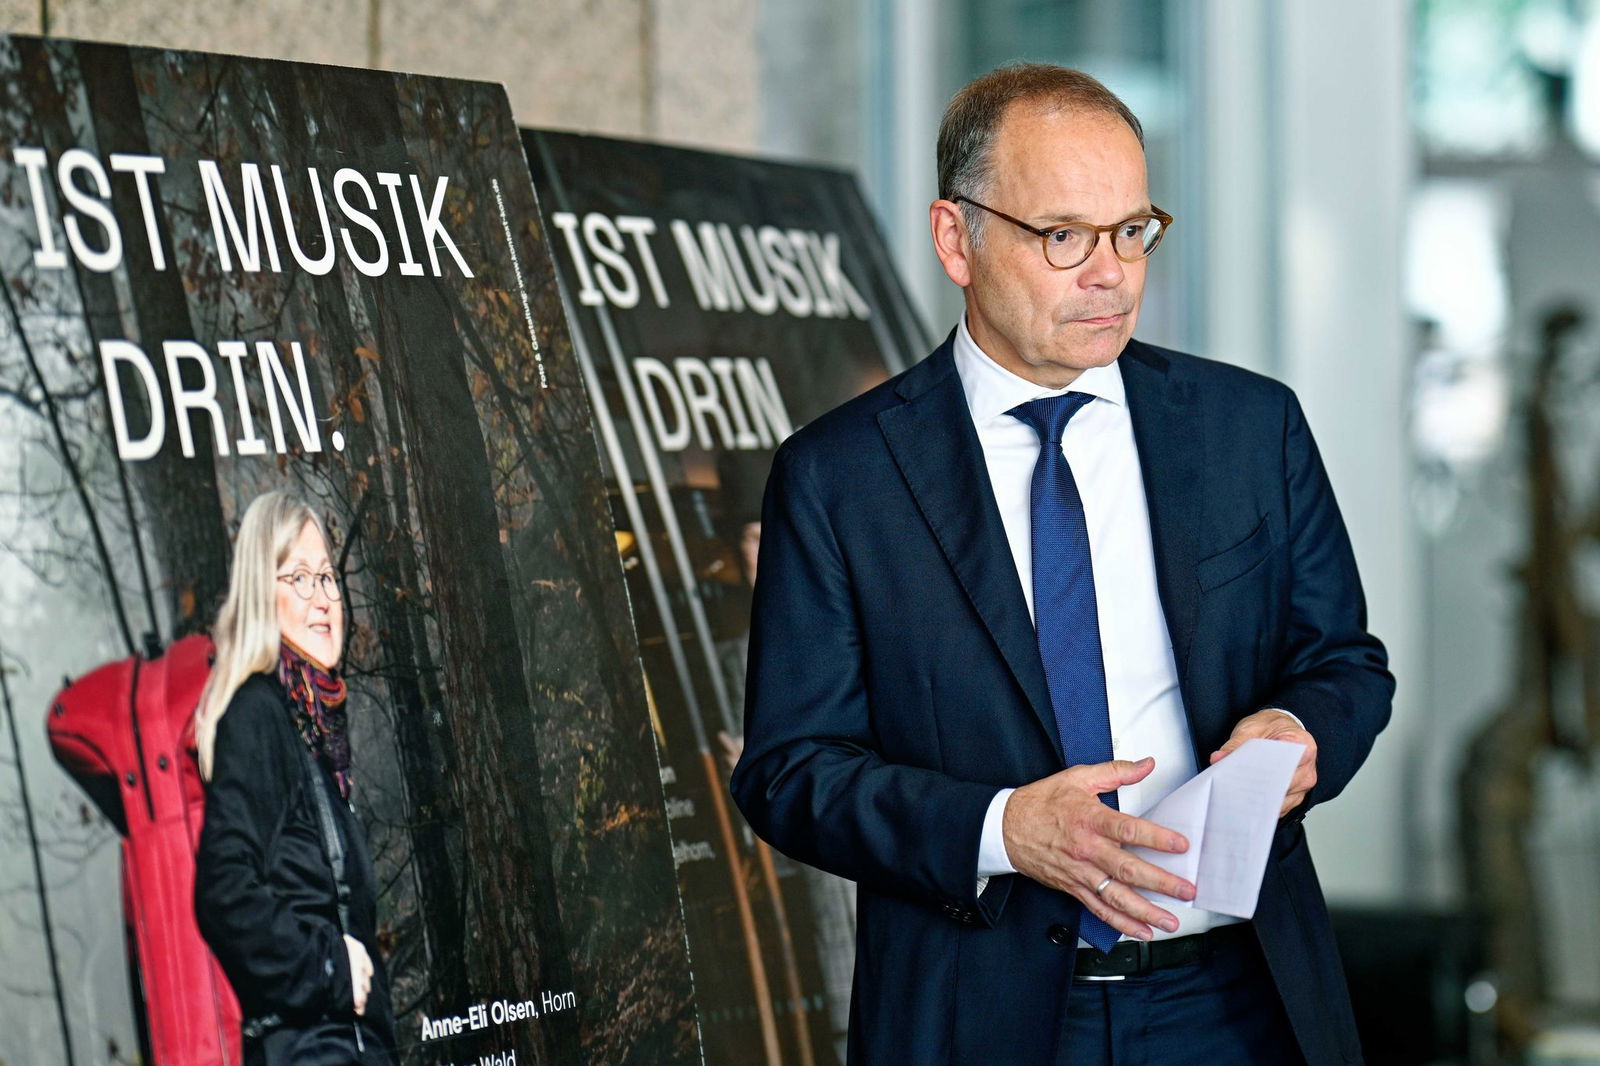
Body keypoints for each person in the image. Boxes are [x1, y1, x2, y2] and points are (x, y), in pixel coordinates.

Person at [730, 63, 1393, 1066]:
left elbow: (1345, 659)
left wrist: (1298, 731)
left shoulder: (1246, 428)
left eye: (1131, 231)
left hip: (1238, 1004)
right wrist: (1003, 828)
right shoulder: (842, 476)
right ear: (958, 238)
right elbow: (789, 771)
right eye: (1063, 236)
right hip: (978, 1015)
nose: (1110, 273)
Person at [193, 491, 397, 1066]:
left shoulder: (311, 730)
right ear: (264, 593)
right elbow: (224, 893)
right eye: (300, 577)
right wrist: (329, 967)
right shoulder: (257, 714)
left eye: (329, 577)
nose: (324, 598)